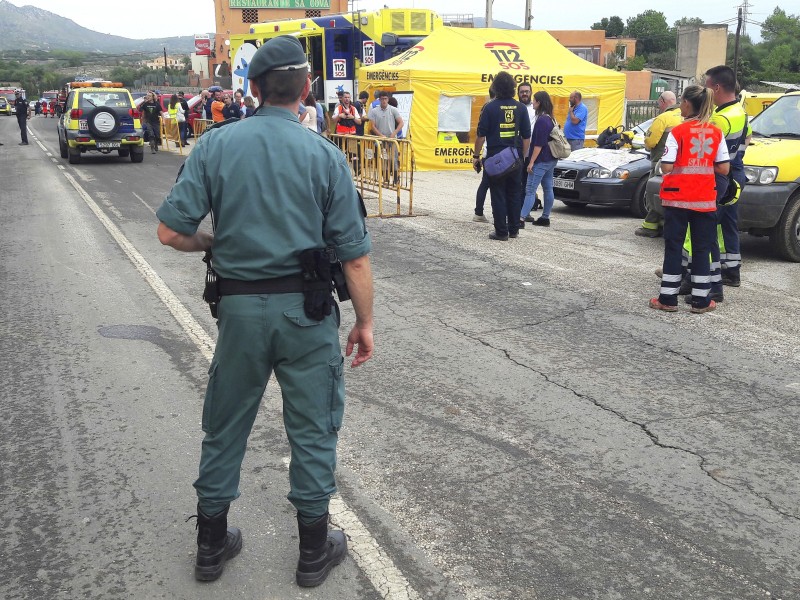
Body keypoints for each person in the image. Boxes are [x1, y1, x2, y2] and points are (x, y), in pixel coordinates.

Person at [155, 35, 374, 587]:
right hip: (308, 313)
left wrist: (212, 244)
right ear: (305, 90)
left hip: (240, 313)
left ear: (251, 89)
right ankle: (312, 550)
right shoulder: (325, 155)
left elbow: (168, 232)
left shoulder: (213, 145)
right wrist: (365, 324)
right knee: (313, 429)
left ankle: (210, 545)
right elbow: (355, 259)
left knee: (225, 425)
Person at [649, 85, 729, 315]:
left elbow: (667, 166)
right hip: (704, 199)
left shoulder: (677, 132)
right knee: (702, 249)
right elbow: (723, 168)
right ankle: (701, 301)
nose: (681, 106)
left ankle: (667, 299)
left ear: (687, 104)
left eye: (682, 102)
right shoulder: (715, 133)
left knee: (674, 248)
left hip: (677, 199)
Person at [473, 71, 531, 241]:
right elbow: (526, 136)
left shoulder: (490, 107)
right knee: (514, 194)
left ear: (495, 87)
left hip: (495, 158)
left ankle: (501, 231)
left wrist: (476, 156)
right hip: (515, 157)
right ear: (514, 88)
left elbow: (480, 136)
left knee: (498, 194)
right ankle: (514, 229)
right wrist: (523, 157)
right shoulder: (520, 108)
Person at [706, 64, 749, 288]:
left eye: (707, 87)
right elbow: (746, 140)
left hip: (722, 176)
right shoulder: (741, 111)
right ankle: (732, 272)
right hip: (737, 172)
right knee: (729, 223)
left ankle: (697, 272)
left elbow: (709, 152)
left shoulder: (720, 118)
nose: (706, 93)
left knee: (708, 224)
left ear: (717, 87)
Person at [635, 90, 682, 238]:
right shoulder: (685, 116)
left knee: (654, 194)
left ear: (662, 102)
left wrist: (647, 144)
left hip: (660, 163)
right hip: (679, 164)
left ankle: (650, 226)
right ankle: (663, 223)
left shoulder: (663, 118)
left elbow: (650, 142)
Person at [520, 91, 558, 228]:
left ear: (539, 102)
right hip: (551, 159)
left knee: (530, 189)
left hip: (541, 160)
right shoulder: (551, 118)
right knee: (548, 188)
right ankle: (545, 217)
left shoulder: (541, 120)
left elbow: (538, 145)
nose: (532, 102)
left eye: (534, 100)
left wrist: (531, 162)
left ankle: (521, 218)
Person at [516, 82, 541, 218]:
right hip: (516, 150)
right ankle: (515, 210)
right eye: (522, 91)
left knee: (528, 183)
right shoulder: (515, 107)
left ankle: (525, 212)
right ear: (518, 93)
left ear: (531, 92)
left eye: (527, 91)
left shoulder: (535, 109)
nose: (524, 94)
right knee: (515, 182)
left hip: (531, 152)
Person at [368, 90, 404, 181]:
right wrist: (380, 135)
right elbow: (372, 126)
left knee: (394, 159)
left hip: (392, 138)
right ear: (379, 100)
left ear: (388, 99)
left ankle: (396, 179)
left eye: (385, 99)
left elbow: (401, 123)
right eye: (382, 99)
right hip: (380, 139)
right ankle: (386, 179)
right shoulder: (374, 111)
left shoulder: (393, 109)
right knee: (383, 159)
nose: (384, 101)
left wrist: (394, 133)